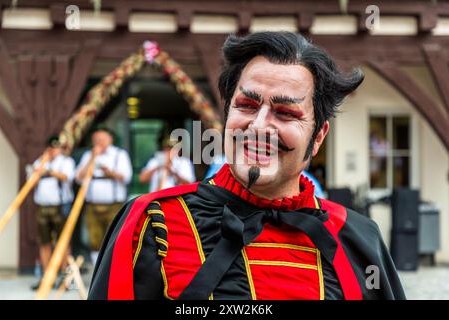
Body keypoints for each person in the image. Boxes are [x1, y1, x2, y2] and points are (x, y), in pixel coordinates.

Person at [89, 32, 405, 300]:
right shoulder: (152, 222)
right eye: (247, 105)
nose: (258, 126)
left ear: (318, 136)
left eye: (285, 113)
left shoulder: (359, 240)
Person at [75, 127, 132, 266]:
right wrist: (92, 159)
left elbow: (127, 177)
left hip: (114, 204)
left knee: (114, 238)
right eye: (96, 140)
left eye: (102, 139)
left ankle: (113, 269)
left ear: (110, 139)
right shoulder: (88, 156)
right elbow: (78, 178)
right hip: (92, 204)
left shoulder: (119, 154)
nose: (99, 142)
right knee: (94, 239)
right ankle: (97, 269)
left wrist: (110, 173)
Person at [31, 135, 75, 289]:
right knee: (44, 242)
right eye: (51, 148)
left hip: (60, 205)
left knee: (63, 243)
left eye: (57, 148)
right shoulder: (39, 162)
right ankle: (47, 276)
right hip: (43, 206)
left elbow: (67, 177)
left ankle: (65, 278)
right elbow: (31, 182)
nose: (54, 151)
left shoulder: (66, 162)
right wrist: (41, 166)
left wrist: (48, 171)